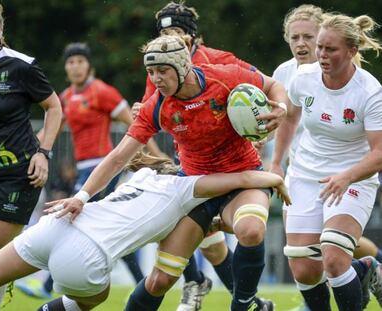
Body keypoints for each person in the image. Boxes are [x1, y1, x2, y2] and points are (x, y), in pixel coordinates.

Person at [53, 34, 288, 311]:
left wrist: (281, 108)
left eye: (162, 71)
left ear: (182, 67)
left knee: (250, 230)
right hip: (195, 189)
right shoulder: (157, 105)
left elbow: (273, 85)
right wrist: (81, 196)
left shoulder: (224, 78)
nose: (156, 79)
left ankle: (244, 305)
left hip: (246, 178)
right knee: (160, 281)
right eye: (150, 72)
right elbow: (118, 157)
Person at [0, 151, 291, 311]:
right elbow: (243, 180)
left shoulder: (141, 176)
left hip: (56, 225)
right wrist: (275, 178)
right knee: (96, 296)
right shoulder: (184, 187)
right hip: (86, 252)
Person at [132, 3, 264, 309]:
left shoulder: (219, 63)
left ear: (193, 37)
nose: (170, 39)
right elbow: (148, 116)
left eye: (176, 32)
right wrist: (157, 158)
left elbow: (264, 90)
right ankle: (207, 284)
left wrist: (264, 120)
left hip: (233, 168)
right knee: (212, 249)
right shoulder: (160, 65)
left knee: (231, 236)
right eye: (164, 33)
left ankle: (226, 293)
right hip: (192, 172)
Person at [16, 42, 149, 299]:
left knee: (67, 218)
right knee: (102, 227)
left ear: (90, 66)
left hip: (103, 168)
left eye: (80, 61)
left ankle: (45, 287)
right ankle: (142, 284)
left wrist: (152, 153)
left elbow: (139, 125)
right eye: (70, 62)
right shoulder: (64, 98)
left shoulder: (102, 92)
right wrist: (29, 153)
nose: (75, 66)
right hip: (82, 170)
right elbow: (49, 131)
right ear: (66, 68)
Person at [272, 5, 382, 310]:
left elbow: (380, 153)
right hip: (305, 177)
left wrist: (346, 177)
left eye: (329, 49)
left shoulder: (370, 92)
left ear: (351, 50)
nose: (321, 54)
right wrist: (277, 163)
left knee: (333, 257)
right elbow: (290, 119)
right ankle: (366, 270)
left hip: (352, 178)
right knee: (304, 269)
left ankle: (361, 269)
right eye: (319, 46)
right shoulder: (303, 78)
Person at [0, 0, 62, 310]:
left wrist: (43, 153)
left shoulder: (21, 65)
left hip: (19, 174)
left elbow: (54, 107)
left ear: (1, 30)